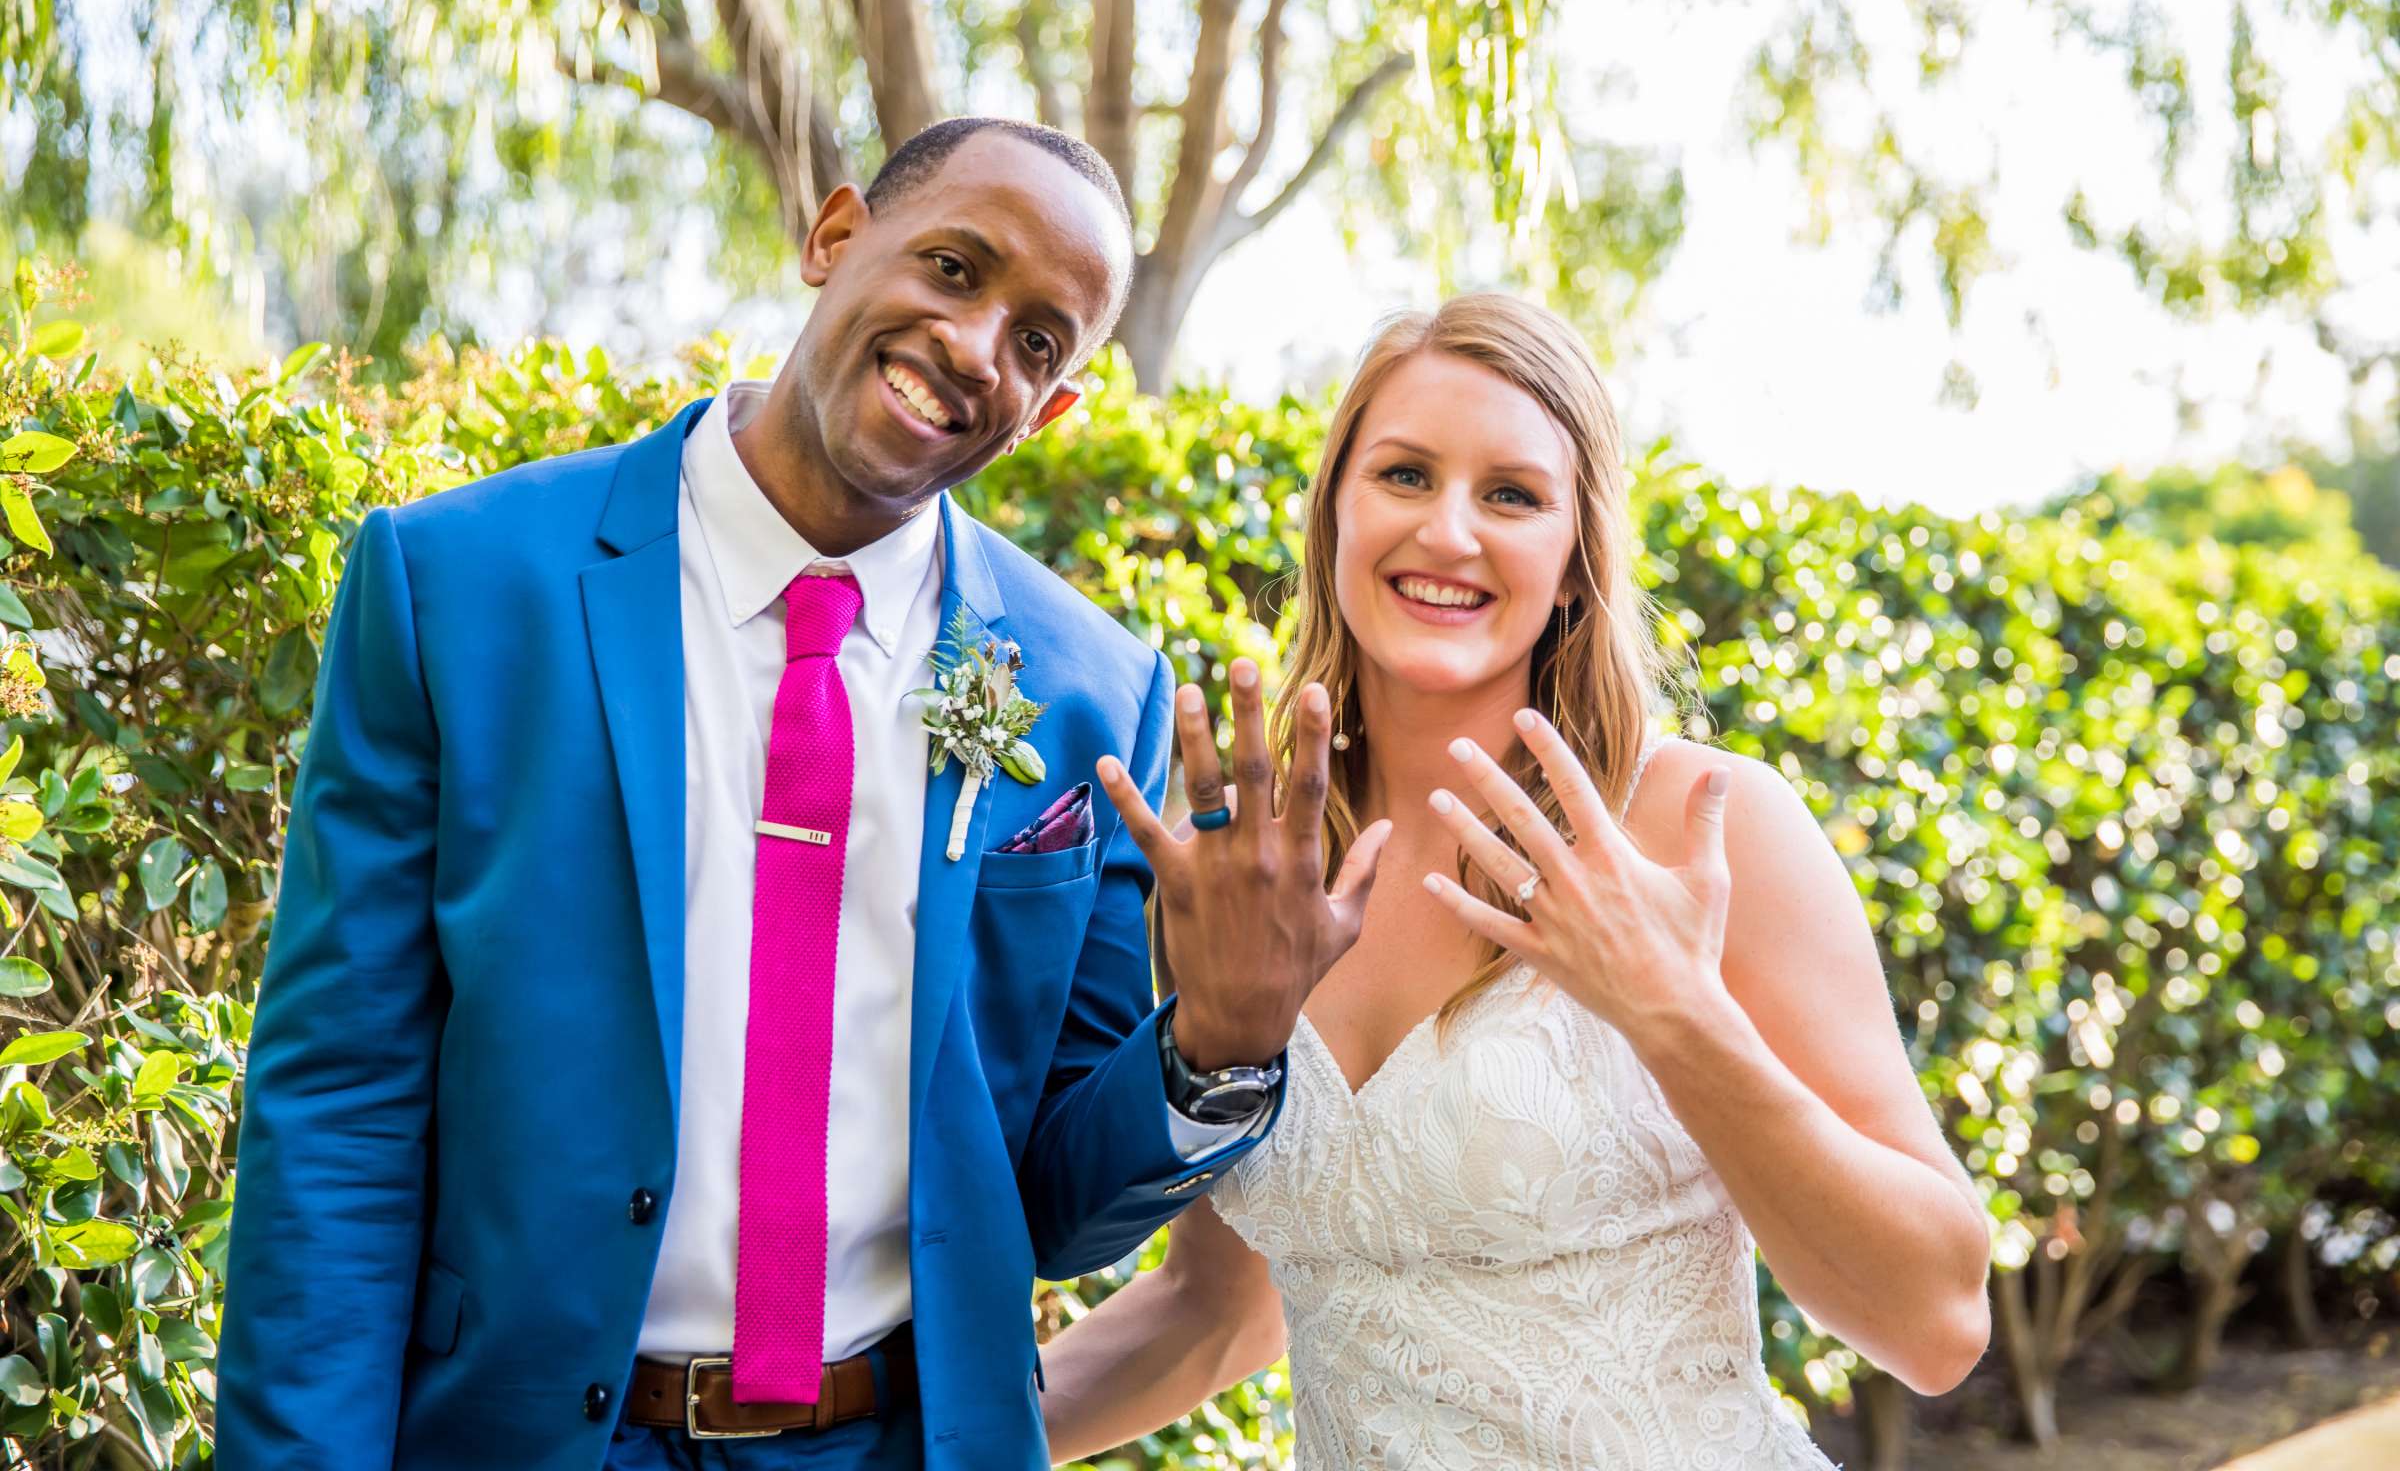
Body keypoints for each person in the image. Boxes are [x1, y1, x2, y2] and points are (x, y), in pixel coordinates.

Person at [216, 118, 1375, 1471]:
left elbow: (1052, 1208)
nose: (976, 343)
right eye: (953, 267)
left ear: (1053, 410)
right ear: (833, 237)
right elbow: (340, 1105)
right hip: (529, 1438)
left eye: (1040, 341)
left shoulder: (1089, 696)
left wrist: (1218, 1047)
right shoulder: (460, 588)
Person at [1052, 293, 1993, 1469]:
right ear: (1333, 516)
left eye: (1511, 495)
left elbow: (1939, 1322)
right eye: (1403, 475)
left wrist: (1675, 1012)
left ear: (1572, 563)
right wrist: (921, 1440)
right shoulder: (1259, 865)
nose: (1448, 532)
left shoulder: (1704, 824)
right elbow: (1219, 1308)